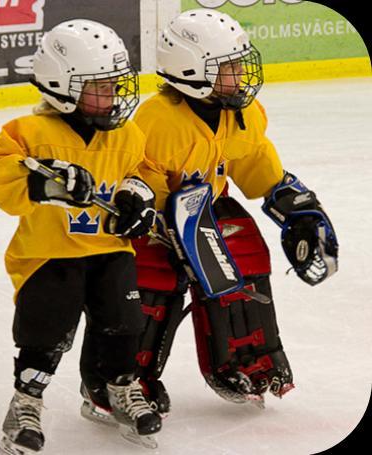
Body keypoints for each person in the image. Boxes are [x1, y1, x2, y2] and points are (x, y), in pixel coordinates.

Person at [131, 9, 339, 413]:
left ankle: (248, 358)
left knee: (243, 251)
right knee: (156, 276)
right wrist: (165, 225)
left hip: (206, 208)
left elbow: (253, 160)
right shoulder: (156, 122)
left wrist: (294, 206)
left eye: (240, 64)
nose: (241, 74)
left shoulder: (241, 114)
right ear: (191, 71)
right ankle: (127, 376)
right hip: (155, 220)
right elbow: (139, 177)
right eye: (228, 67)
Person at [0, 19, 161, 454]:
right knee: (46, 328)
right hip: (50, 254)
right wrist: (45, 183)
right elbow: (0, 176)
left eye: (114, 84)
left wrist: (137, 198)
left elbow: (140, 173)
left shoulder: (128, 133)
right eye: (99, 86)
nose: (113, 95)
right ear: (61, 87)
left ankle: (120, 388)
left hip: (109, 250)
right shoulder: (29, 133)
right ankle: (25, 402)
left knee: (125, 322)